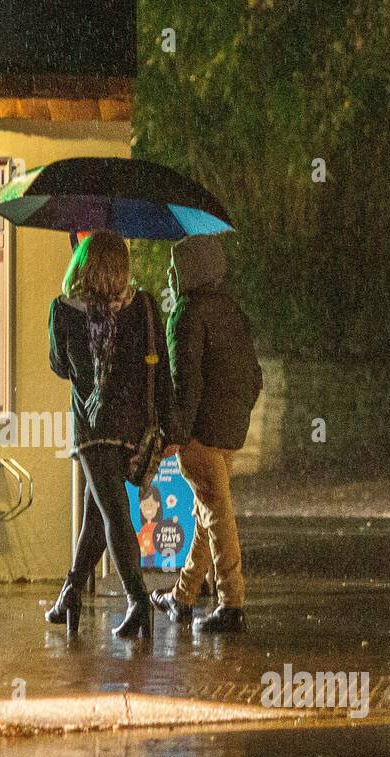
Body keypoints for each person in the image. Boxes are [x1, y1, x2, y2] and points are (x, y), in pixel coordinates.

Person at [46, 230, 180, 638]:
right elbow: (161, 371)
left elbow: (59, 367)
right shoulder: (143, 307)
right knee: (98, 513)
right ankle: (70, 592)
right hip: (134, 426)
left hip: (92, 431)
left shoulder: (63, 310)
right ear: (121, 267)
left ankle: (138, 601)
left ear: (81, 265)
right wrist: (171, 426)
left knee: (114, 513)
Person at [151, 234, 262, 634]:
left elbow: (186, 383)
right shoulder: (232, 311)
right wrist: (238, 415)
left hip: (199, 433)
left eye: (175, 265)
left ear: (191, 269)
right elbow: (254, 375)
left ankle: (231, 603)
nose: (169, 273)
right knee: (205, 511)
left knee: (216, 512)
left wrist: (175, 433)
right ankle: (182, 597)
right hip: (231, 430)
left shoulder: (185, 313)